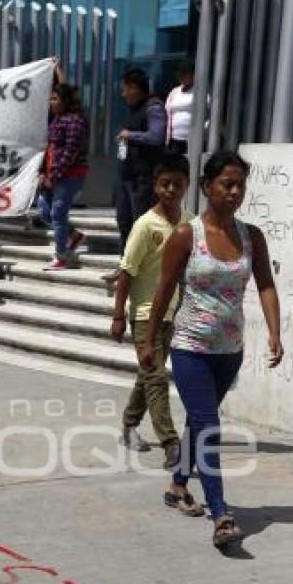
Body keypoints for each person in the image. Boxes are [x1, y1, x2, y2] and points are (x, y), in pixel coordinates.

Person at [141, 150, 283, 551]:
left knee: (200, 424)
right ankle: (221, 514)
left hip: (230, 349)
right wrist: (150, 339)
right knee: (209, 425)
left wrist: (274, 331)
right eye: (227, 184)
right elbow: (164, 288)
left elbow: (266, 284)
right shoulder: (187, 235)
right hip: (190, 347)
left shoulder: (251, 236)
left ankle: (177, 485)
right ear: (207, 187)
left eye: (240, 185)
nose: (235, 192)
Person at [112, 151, 190, 466]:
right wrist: (119, 315)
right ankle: (170, 442)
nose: (171, 190)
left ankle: (129, 425)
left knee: (148, 375)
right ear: (155, 187)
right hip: (144, 314)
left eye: (177, 184)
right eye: (165, 184)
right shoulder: (145, 225)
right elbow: (127, 271)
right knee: (156, 376)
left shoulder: (187, 223)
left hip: (171, 314)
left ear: (187, 186)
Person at [115, 67, 167, 251]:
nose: (123, 94)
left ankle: (142, 266)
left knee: (141, 222)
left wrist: (130, 135)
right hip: (127, 176)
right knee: (124, 222)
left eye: (126, 89)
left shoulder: (153, 107)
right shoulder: (133, 110)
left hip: (143, 177)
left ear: (135, 88)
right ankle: (125, 266)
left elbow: (156, 136)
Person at [37, 83, 88, 270]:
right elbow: (49, 150)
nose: (51, 102)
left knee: (58, 213)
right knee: (43, 211)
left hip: (68, 176)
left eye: (55, 98)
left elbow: (70, 152)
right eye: (51, 98)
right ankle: (74, 236)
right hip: (51, 175)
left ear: (65, 100)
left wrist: (54, 176)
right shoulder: (56, 120)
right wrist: (43, 173)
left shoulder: (75, 121)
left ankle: (61, 257)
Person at [165, 60, 195, 154]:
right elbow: (167, 111)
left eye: (184, 73)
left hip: (192, 140)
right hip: (174, 139)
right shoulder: (175, 91)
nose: (180, 76)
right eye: (179, 73)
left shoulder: (201, 91)